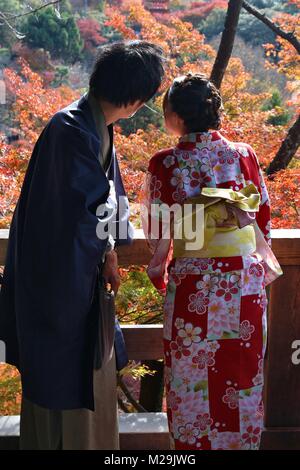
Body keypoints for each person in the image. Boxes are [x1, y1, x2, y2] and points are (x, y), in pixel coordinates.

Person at [0, 40, 165, 450]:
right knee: (63, 377)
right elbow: (88, 209)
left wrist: (110, 252)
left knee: (75, 374)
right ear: (136, 99)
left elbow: (104, 203)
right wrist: (106, 247)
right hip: (56, 284)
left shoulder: (92, 126)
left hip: (76, 281)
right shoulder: (71, 130)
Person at [141, 73, 282, 450]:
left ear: (175, 116)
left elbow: (156, 230)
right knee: (242, 371)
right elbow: (262, 217)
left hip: (193, 287)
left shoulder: (165, 163)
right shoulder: (243, 154)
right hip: (242, 283)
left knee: (189, 375)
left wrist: (164, 262)